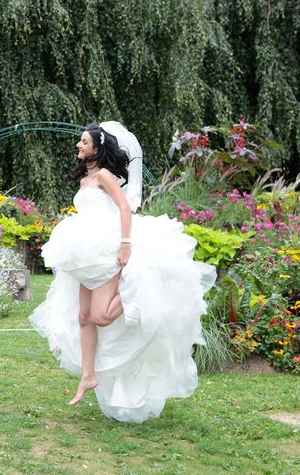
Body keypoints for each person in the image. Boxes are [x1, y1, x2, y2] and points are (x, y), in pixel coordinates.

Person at [29, 121, 216, 423]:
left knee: (101, 316)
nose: (79, 145)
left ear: (97, 147)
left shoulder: (104, 175)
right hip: (84, 254)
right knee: (83, 317)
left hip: (106, 249)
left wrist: (125, 244)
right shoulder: (85, 180)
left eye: (84, 141)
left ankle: (137, 295)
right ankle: (88, 376)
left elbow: (124, 208)